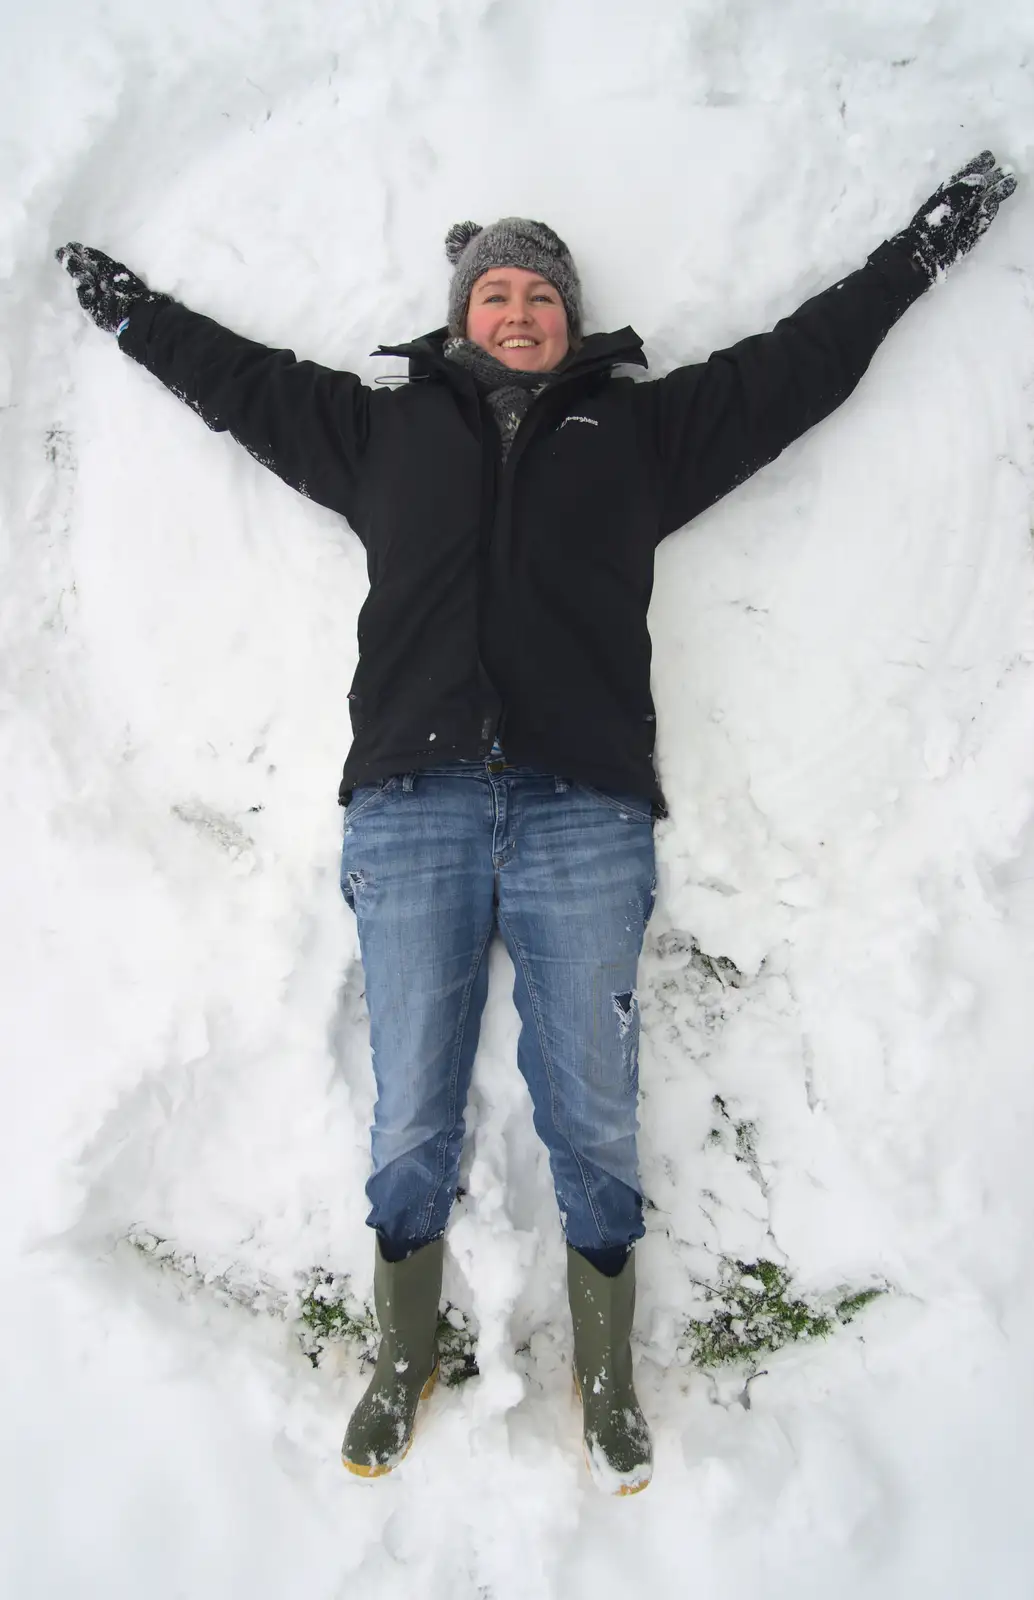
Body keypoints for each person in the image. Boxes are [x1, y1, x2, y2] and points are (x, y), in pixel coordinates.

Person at [57, 151, 1016, 1494]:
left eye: (538, 296)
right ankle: (407, 1356)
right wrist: (118, 305)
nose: (517, 313)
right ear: (460, 315)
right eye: (494, 293)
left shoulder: (639, 434)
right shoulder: (380, 432)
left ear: (568, 318)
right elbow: (237, 380)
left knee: (591, 1110)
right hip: (411, 805)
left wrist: (922, 247)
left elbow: (807, 357)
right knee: (410, 1116)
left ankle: (606, 1368)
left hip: (582, 809)